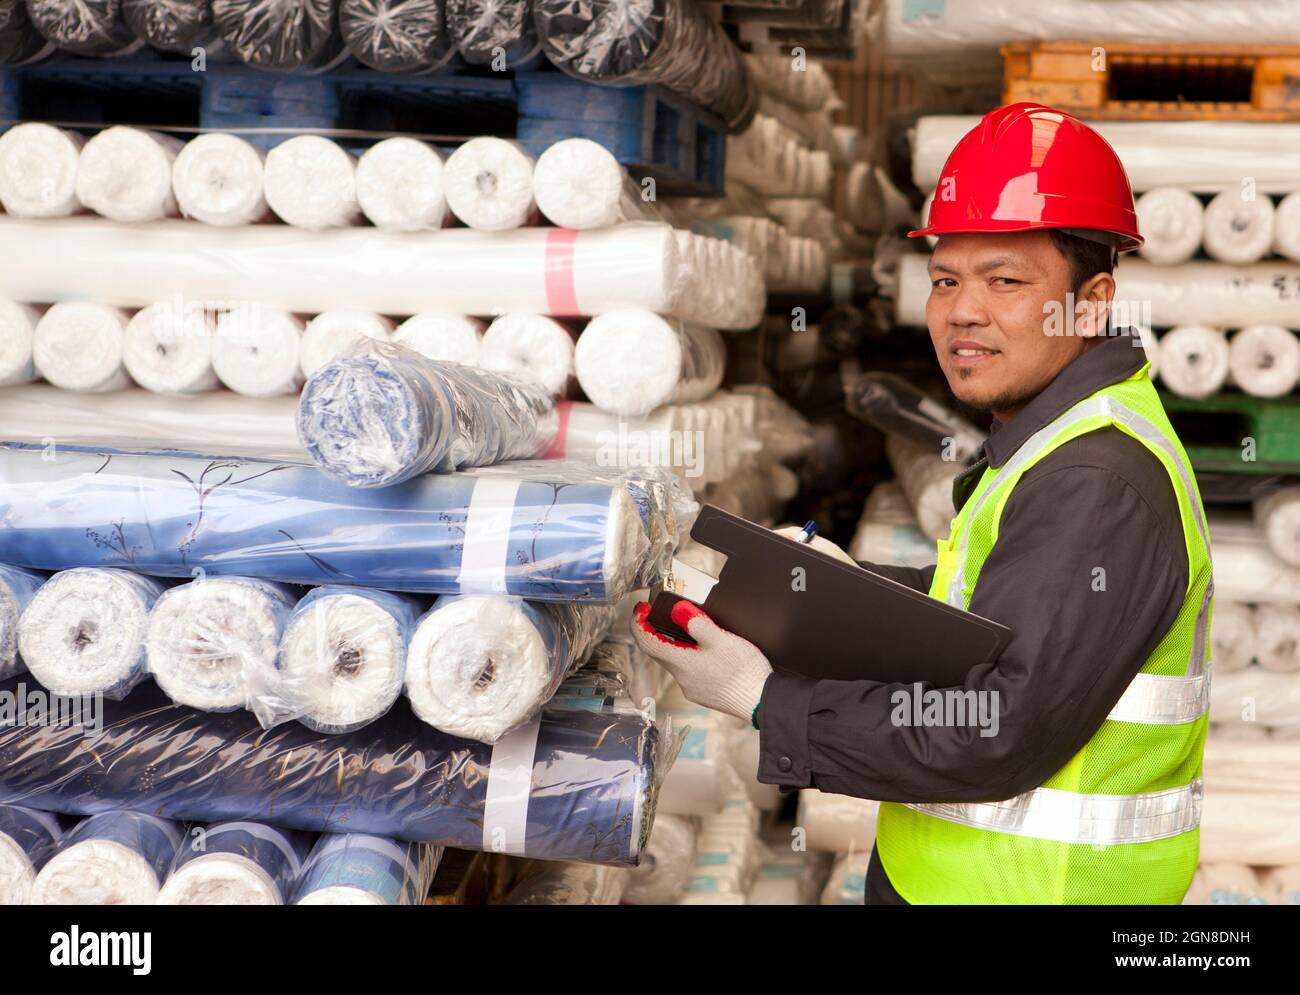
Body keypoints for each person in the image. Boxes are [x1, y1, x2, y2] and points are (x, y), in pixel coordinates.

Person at [631, 103, 1213, 905]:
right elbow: (993, 620)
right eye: (945, 280)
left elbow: (999, 725)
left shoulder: (1095, 479)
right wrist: (830, 591)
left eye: (1006, 280)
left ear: (1091, 300)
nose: (962, 311)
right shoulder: (1053, 438)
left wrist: (767, 700)